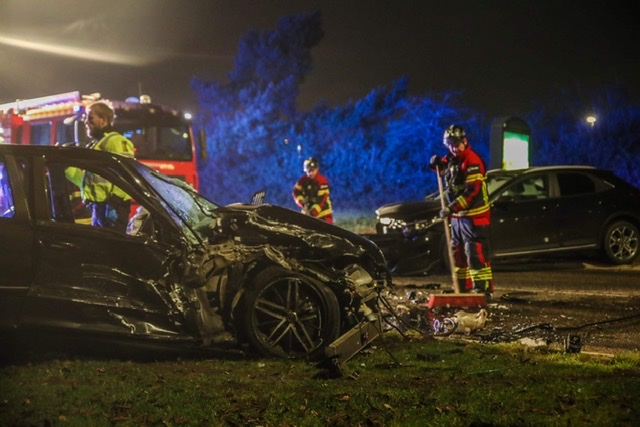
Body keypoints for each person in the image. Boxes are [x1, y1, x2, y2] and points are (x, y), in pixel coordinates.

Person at [429, 124, 494, 297]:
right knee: (457, 255)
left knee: (475, 254)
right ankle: (462, 289)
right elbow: (445, 170)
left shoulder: (472, 161)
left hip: (475, 217)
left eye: (456, 144)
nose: (453, 148)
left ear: (465, 141)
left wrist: (450, 208)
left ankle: (482, 289)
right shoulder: (453, 158)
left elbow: (471, 193)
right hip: (458, 218)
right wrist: (436, 164)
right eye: (450, 144)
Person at [65, 101, 135, 232]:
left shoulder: (116, 141)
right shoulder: (96, 144)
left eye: (90, 117)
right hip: (98, 209)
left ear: (103, 120)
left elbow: (126, 175)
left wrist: (115, 203)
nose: (86, 122)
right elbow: (86, 182)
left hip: (112, 209)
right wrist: (66, 167)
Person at [292, 157, 334, 224]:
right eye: (308, 171)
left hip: (324, 215)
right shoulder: (303, 180)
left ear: (317, 169)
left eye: (312, 170)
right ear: (305, 170)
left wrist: (312, 213)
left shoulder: (322, 181)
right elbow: (295, 192)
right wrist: (302, 202)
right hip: (309, 214)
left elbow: (321, 200)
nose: (310, 173)